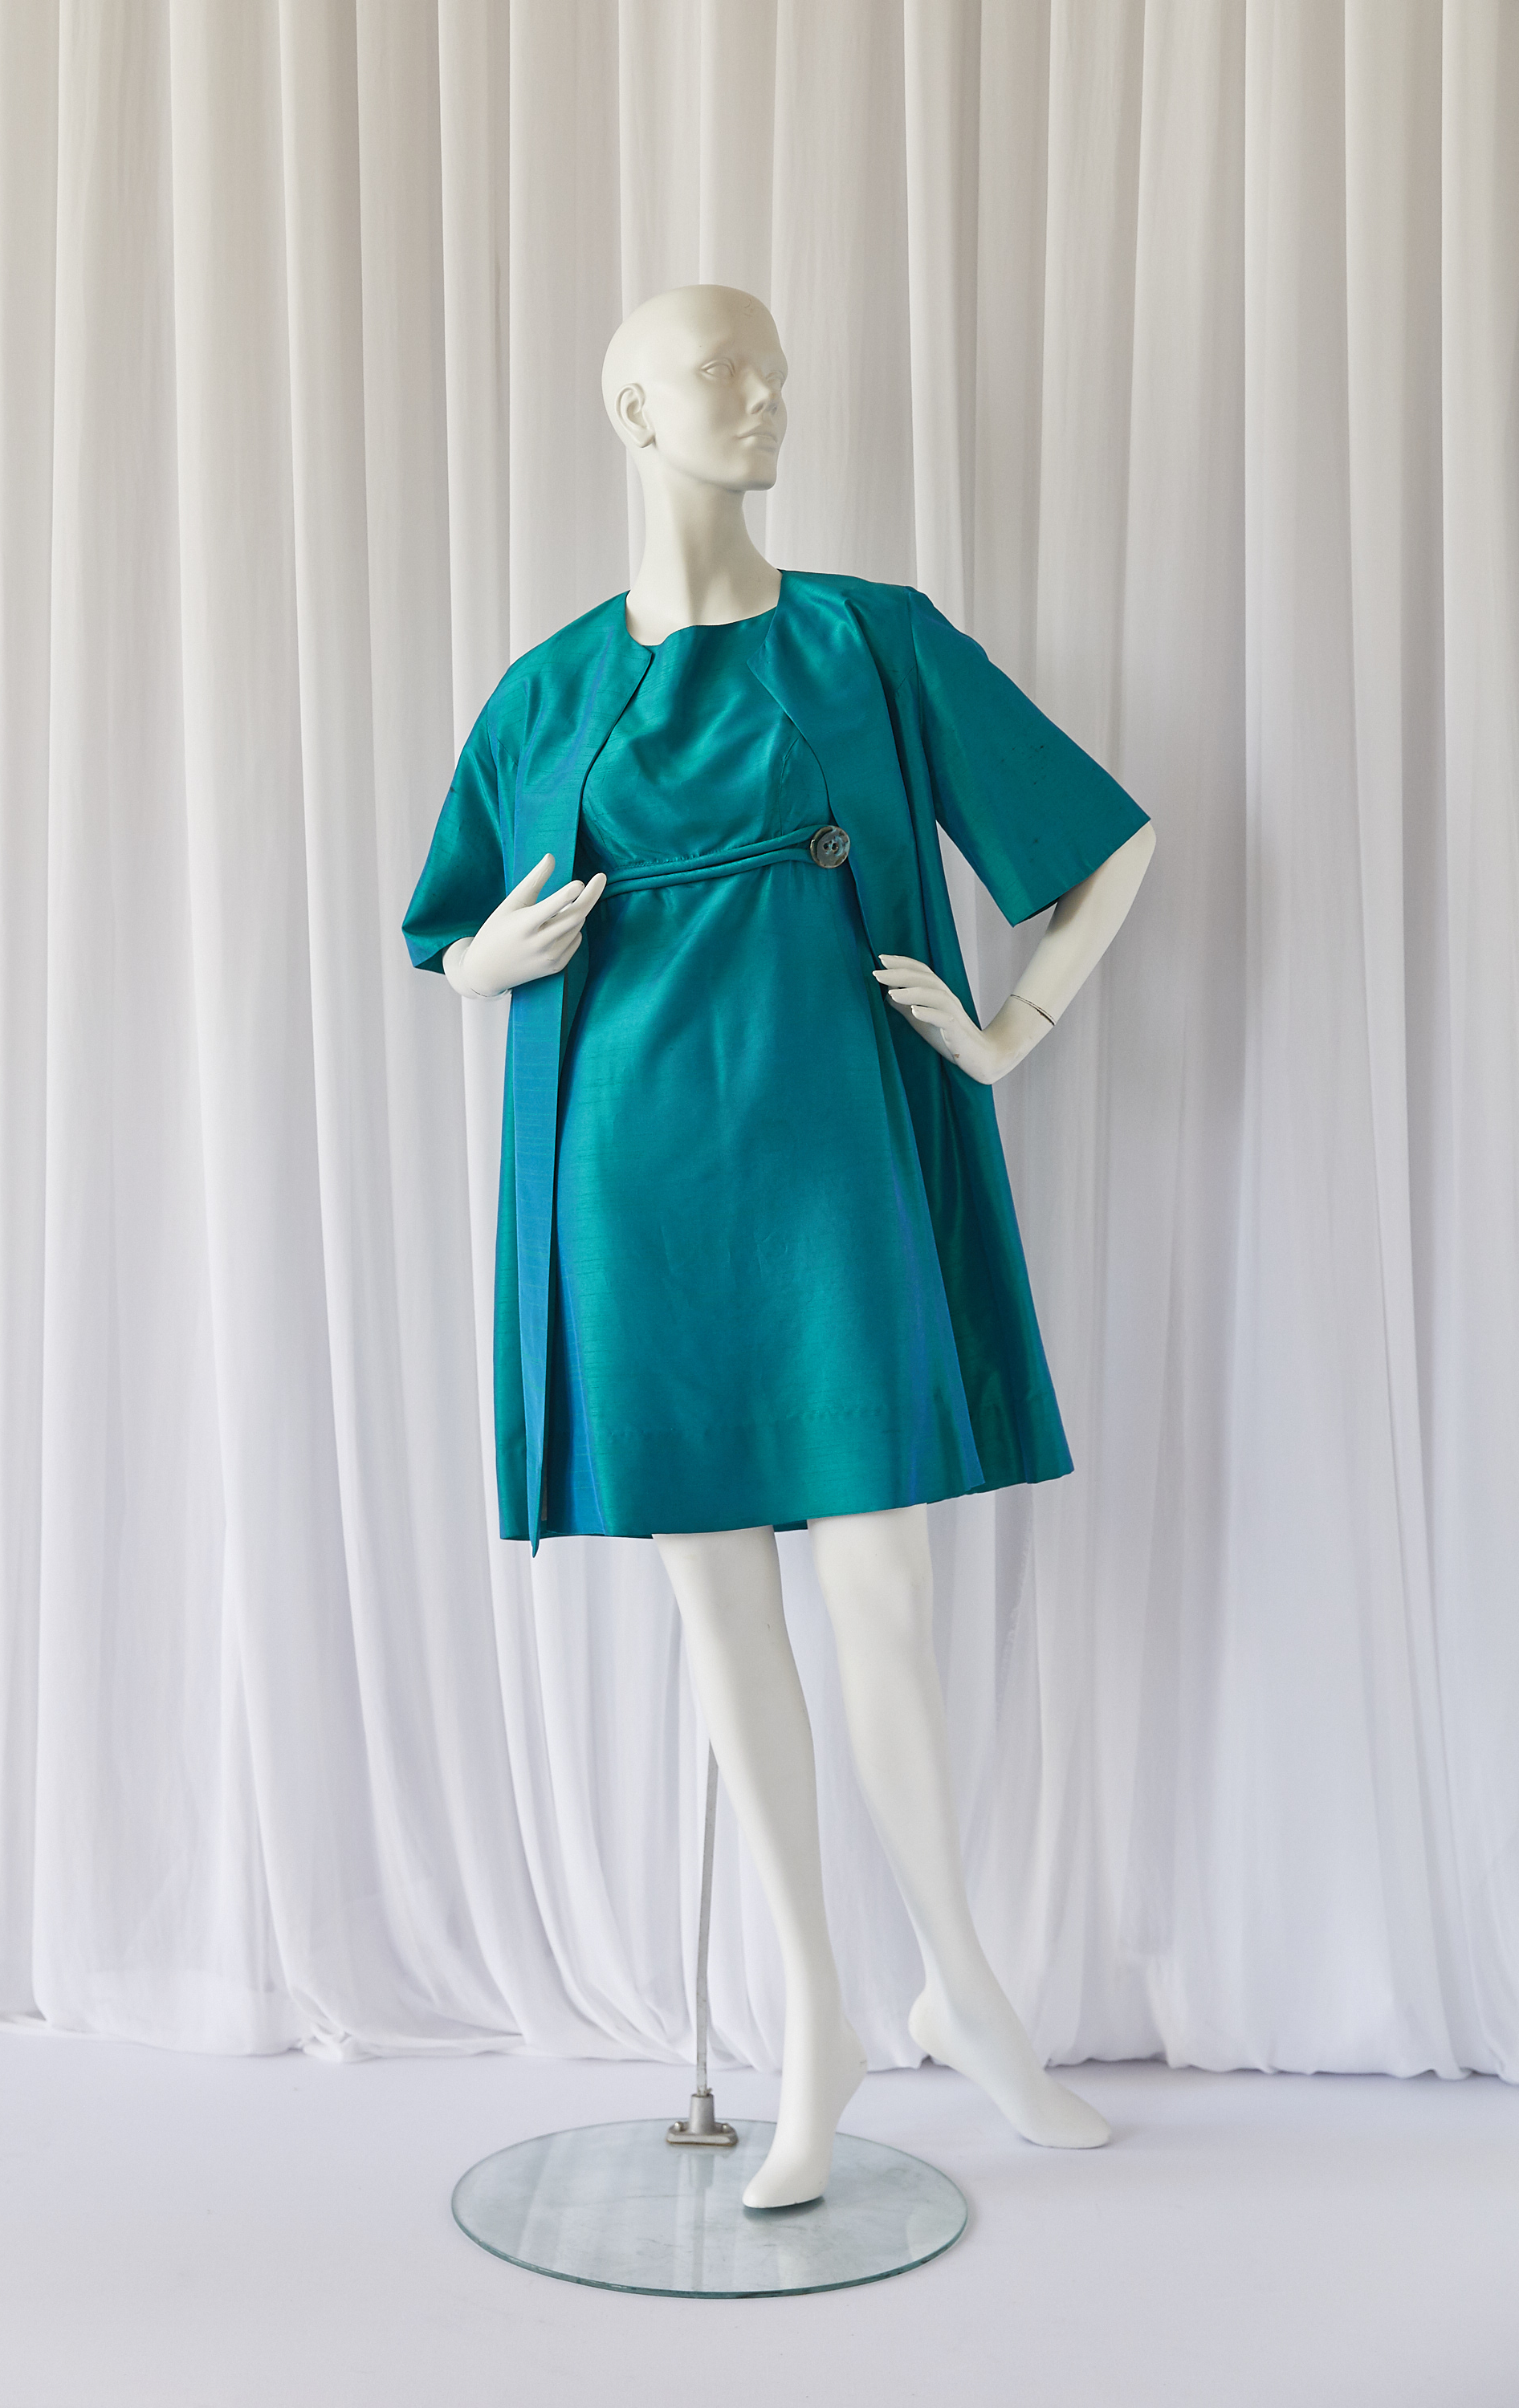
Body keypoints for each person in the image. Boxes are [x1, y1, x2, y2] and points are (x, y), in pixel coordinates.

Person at [405, 286, 1155, 2207]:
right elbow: (442, 928)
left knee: (880, 1593)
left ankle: (963, 1988)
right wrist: (485, 962)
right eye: (721, 370)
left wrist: (1006, 1032)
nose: (764, 396)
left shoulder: (869, 642)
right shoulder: (546, 691)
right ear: (632, 407)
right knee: (723, 1617)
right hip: (628, 1174)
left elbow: (1106, 849)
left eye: (774, 370)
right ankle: (815, 2016)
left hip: (830, 1158)